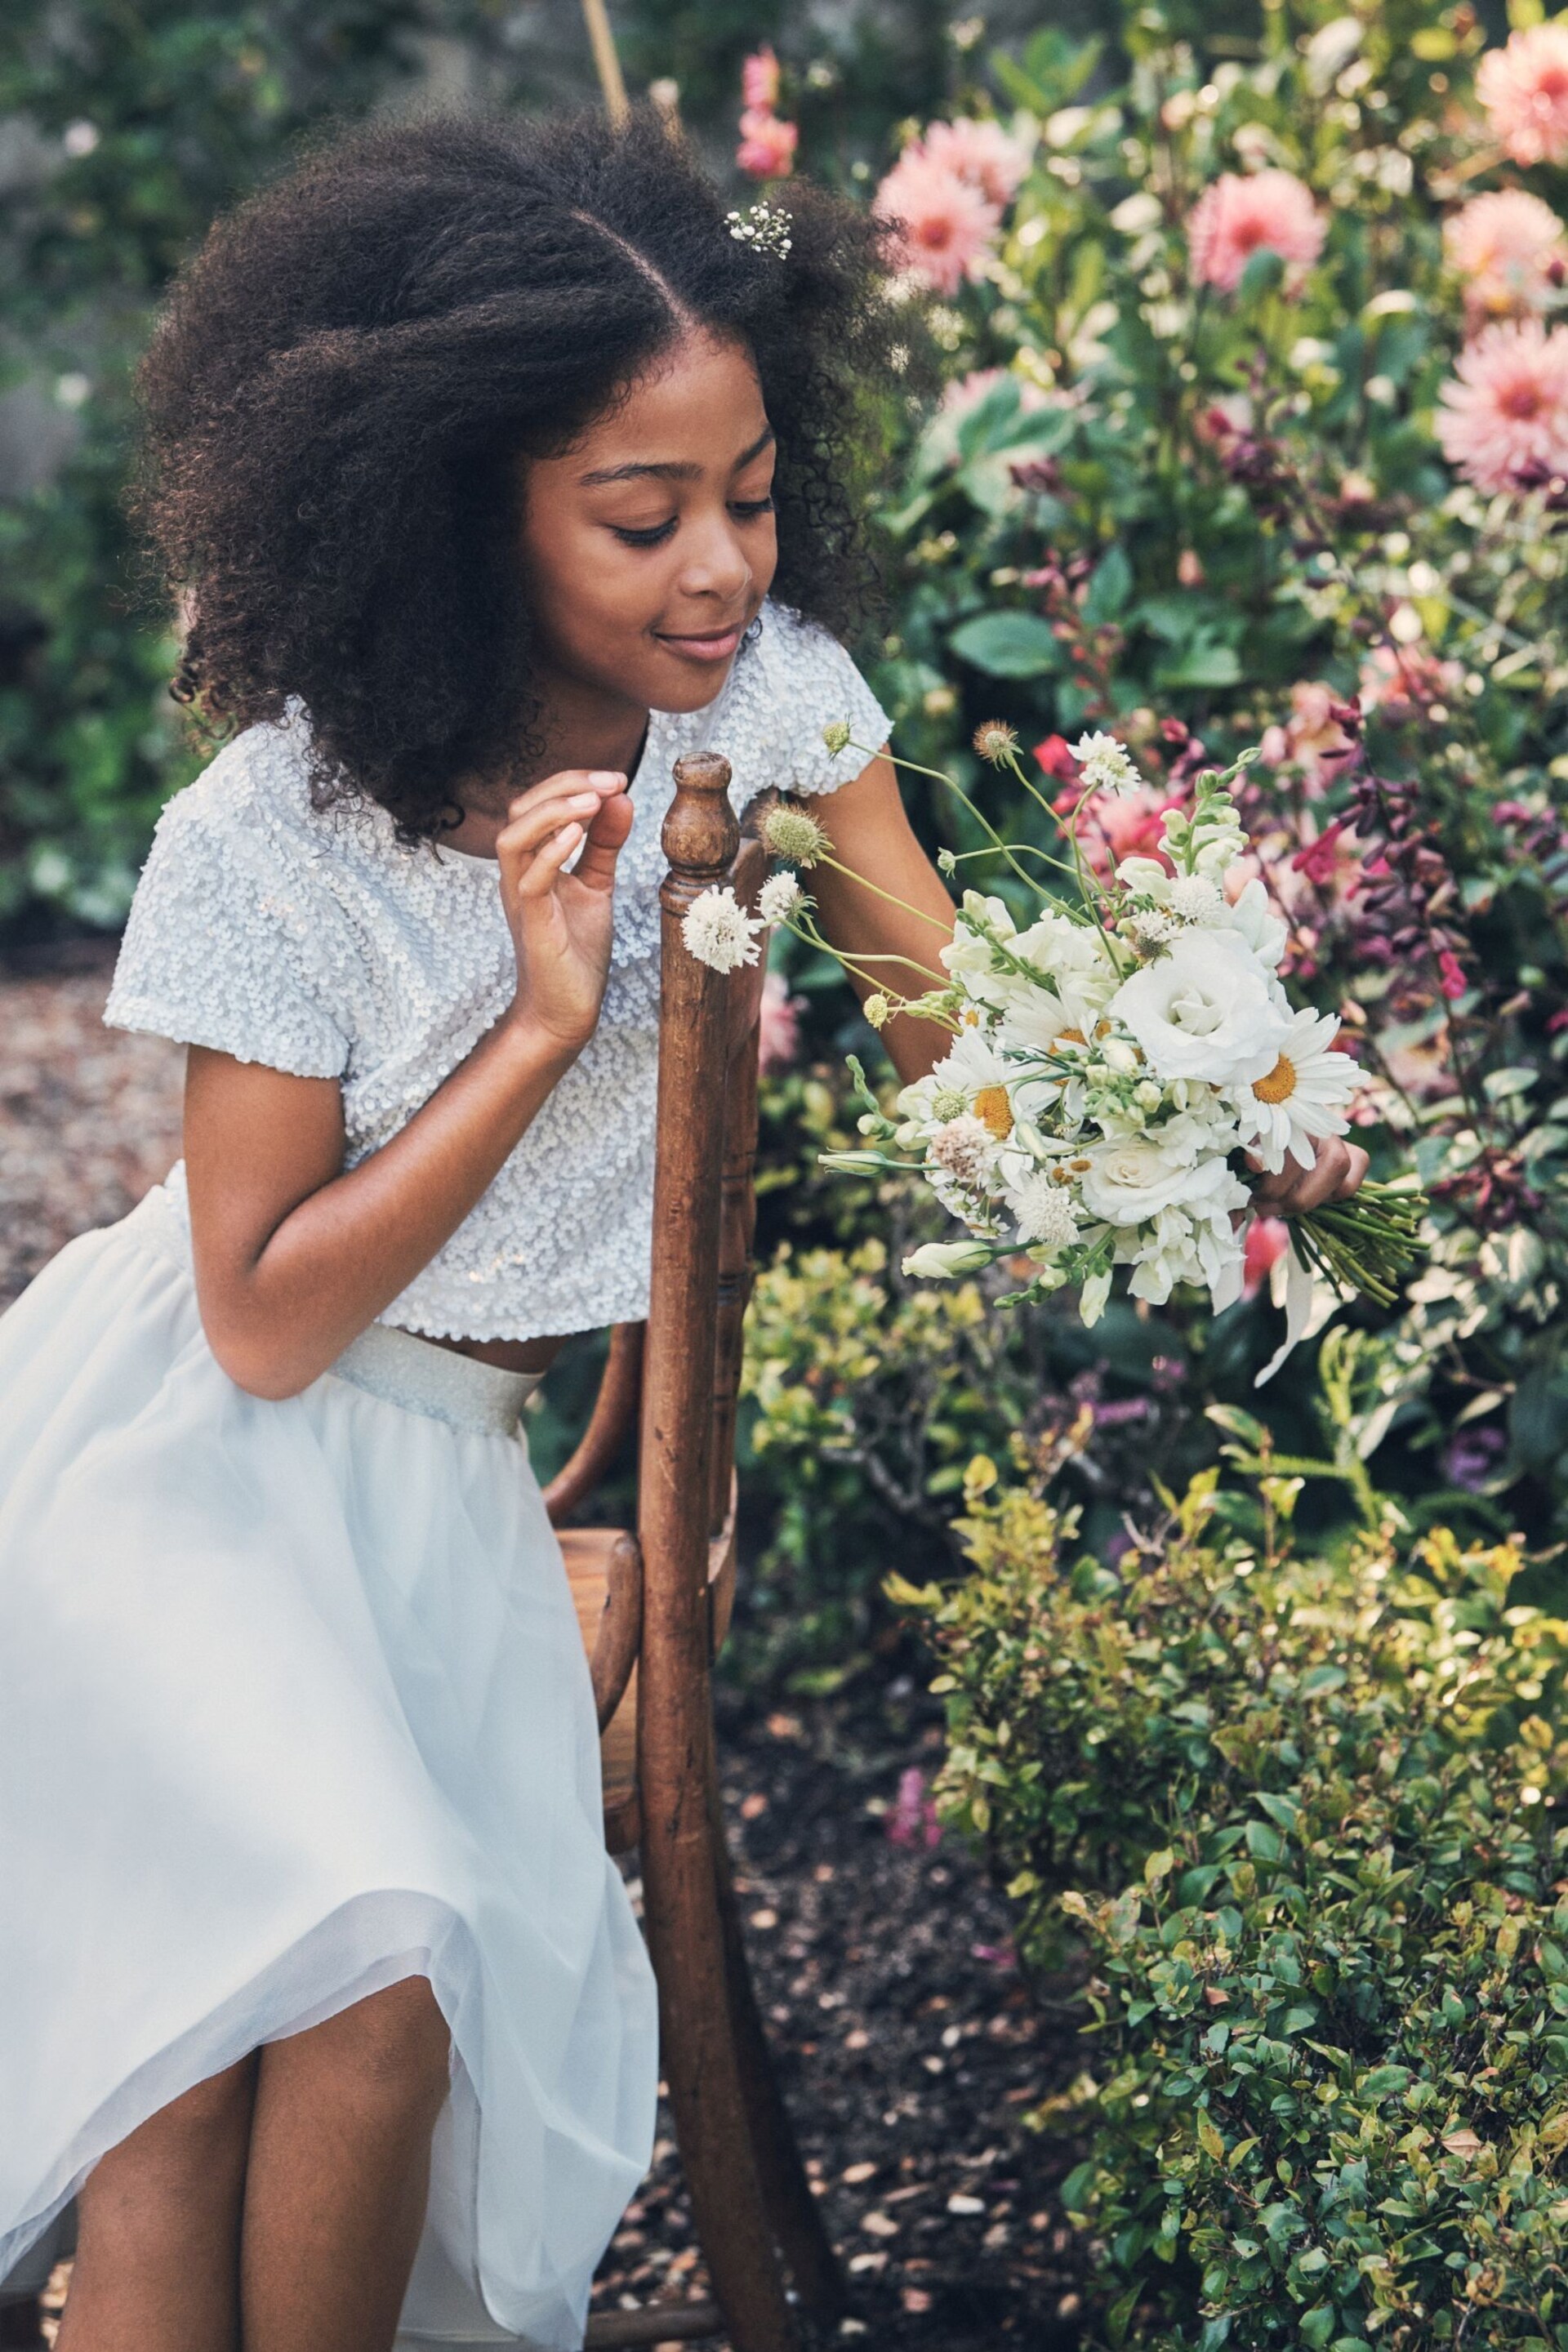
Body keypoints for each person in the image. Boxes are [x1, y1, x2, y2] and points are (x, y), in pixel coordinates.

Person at [0, 104, 1366, 2352]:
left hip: (431, 1493)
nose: (722, 568)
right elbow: (251, 1324)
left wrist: (1226, 1128)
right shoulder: (277, 832)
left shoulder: (776, 705)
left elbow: (961, 1044)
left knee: (367, 1988)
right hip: (181, 1478)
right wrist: (540, 1026)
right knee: (286, 2003)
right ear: (460, 522)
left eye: (748, 496)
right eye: (643, 520)